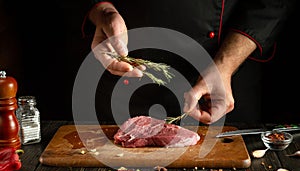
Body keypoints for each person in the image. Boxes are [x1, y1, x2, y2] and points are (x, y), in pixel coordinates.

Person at [82, 0, 295, 125]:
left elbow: (271, 4)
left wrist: (225, 65)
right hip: (120, 81)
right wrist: (103, 12)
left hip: (220, 91)